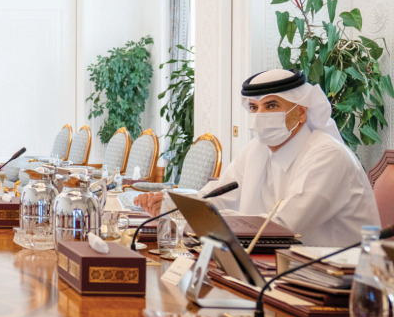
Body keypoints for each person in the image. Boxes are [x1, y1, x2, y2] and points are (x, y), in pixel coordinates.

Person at [137, 69, 380, 246]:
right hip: (279, 267)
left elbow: (282, 226)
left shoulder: (328, 156)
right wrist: (171, 205)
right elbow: (216, 197)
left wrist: (197, 215)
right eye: (254, 108)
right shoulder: (256, 149)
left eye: (271, 106)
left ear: (301, 112)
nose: (260, 114)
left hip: (343, 281)